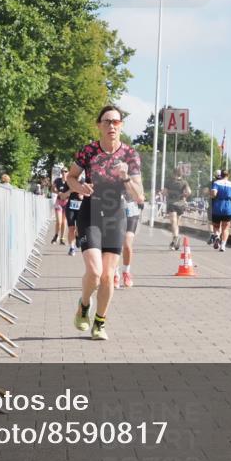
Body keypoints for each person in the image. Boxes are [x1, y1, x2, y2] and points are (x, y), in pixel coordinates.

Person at [66, 106, 143, 341]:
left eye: (116, 122)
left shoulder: (130, 155)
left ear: (121, 126)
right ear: (99, 125)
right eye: (107, 121)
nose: (112, 126)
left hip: (115, 214)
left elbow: (139, 195)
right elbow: (70, 177)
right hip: (91, 210)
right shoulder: (88, 151)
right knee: (95, 272)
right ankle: (84, 304)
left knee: (108, 276)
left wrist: (125, 177)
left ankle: (99, 322)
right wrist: (80, 187)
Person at [114, 194, 144, 289]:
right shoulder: (111, 178)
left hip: (132, 212)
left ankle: (126, 272)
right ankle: (115, 274)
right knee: (116, 245)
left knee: (127, 244)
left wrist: (140, 198)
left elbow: (140, 194)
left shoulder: (134, 179)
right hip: (115, 211)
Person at [209, 169, 231, 252]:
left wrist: (211, 195)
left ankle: (217, 236)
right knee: (226, 228)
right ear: (228, 175)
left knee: (216, 226)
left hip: (217, 207)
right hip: (228, 208)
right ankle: (223, 245)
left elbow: (214, 194)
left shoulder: (216, 183)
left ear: (221, 175)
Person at [163, 170, 192, 250]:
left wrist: (168, 193)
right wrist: (184, 196)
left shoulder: (168, 182)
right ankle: (174, 239)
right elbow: (189, 192)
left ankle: (175, 237)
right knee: (177, 223)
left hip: (172, 203)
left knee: (174, 222)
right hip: (180, 203)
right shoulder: (184, 182)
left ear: (173, 173)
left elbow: (164, 192)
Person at [64, 177, 83, 256]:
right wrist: (71, 190)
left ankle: (78, 237)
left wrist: (81, 193)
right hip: (70, 208)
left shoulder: (84, 181)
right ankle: (72, 248)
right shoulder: (68, 182)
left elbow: (84, 196)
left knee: (79, 228)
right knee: (71, 228)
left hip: (81, 207)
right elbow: (63, 196)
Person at [51, 171, 68, 244]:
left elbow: (74, 190)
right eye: (62, 171)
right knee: (59, 221)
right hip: (59, 202)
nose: (64, 173)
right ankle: (56, 235)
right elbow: (52, 189)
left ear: (68, 173)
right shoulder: (57, 180)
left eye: (65, 171)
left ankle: (62, 238)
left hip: (67, 202)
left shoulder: (70, 181)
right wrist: (58, 192)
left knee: (64, 222)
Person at [208, 170, 222, 245]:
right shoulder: (224, 183)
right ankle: (218, 236)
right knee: (220, 222)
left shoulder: (212, 183)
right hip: (223, 205)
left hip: (212, 204)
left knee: (210, 222)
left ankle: (212, 234)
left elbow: (207, 191)